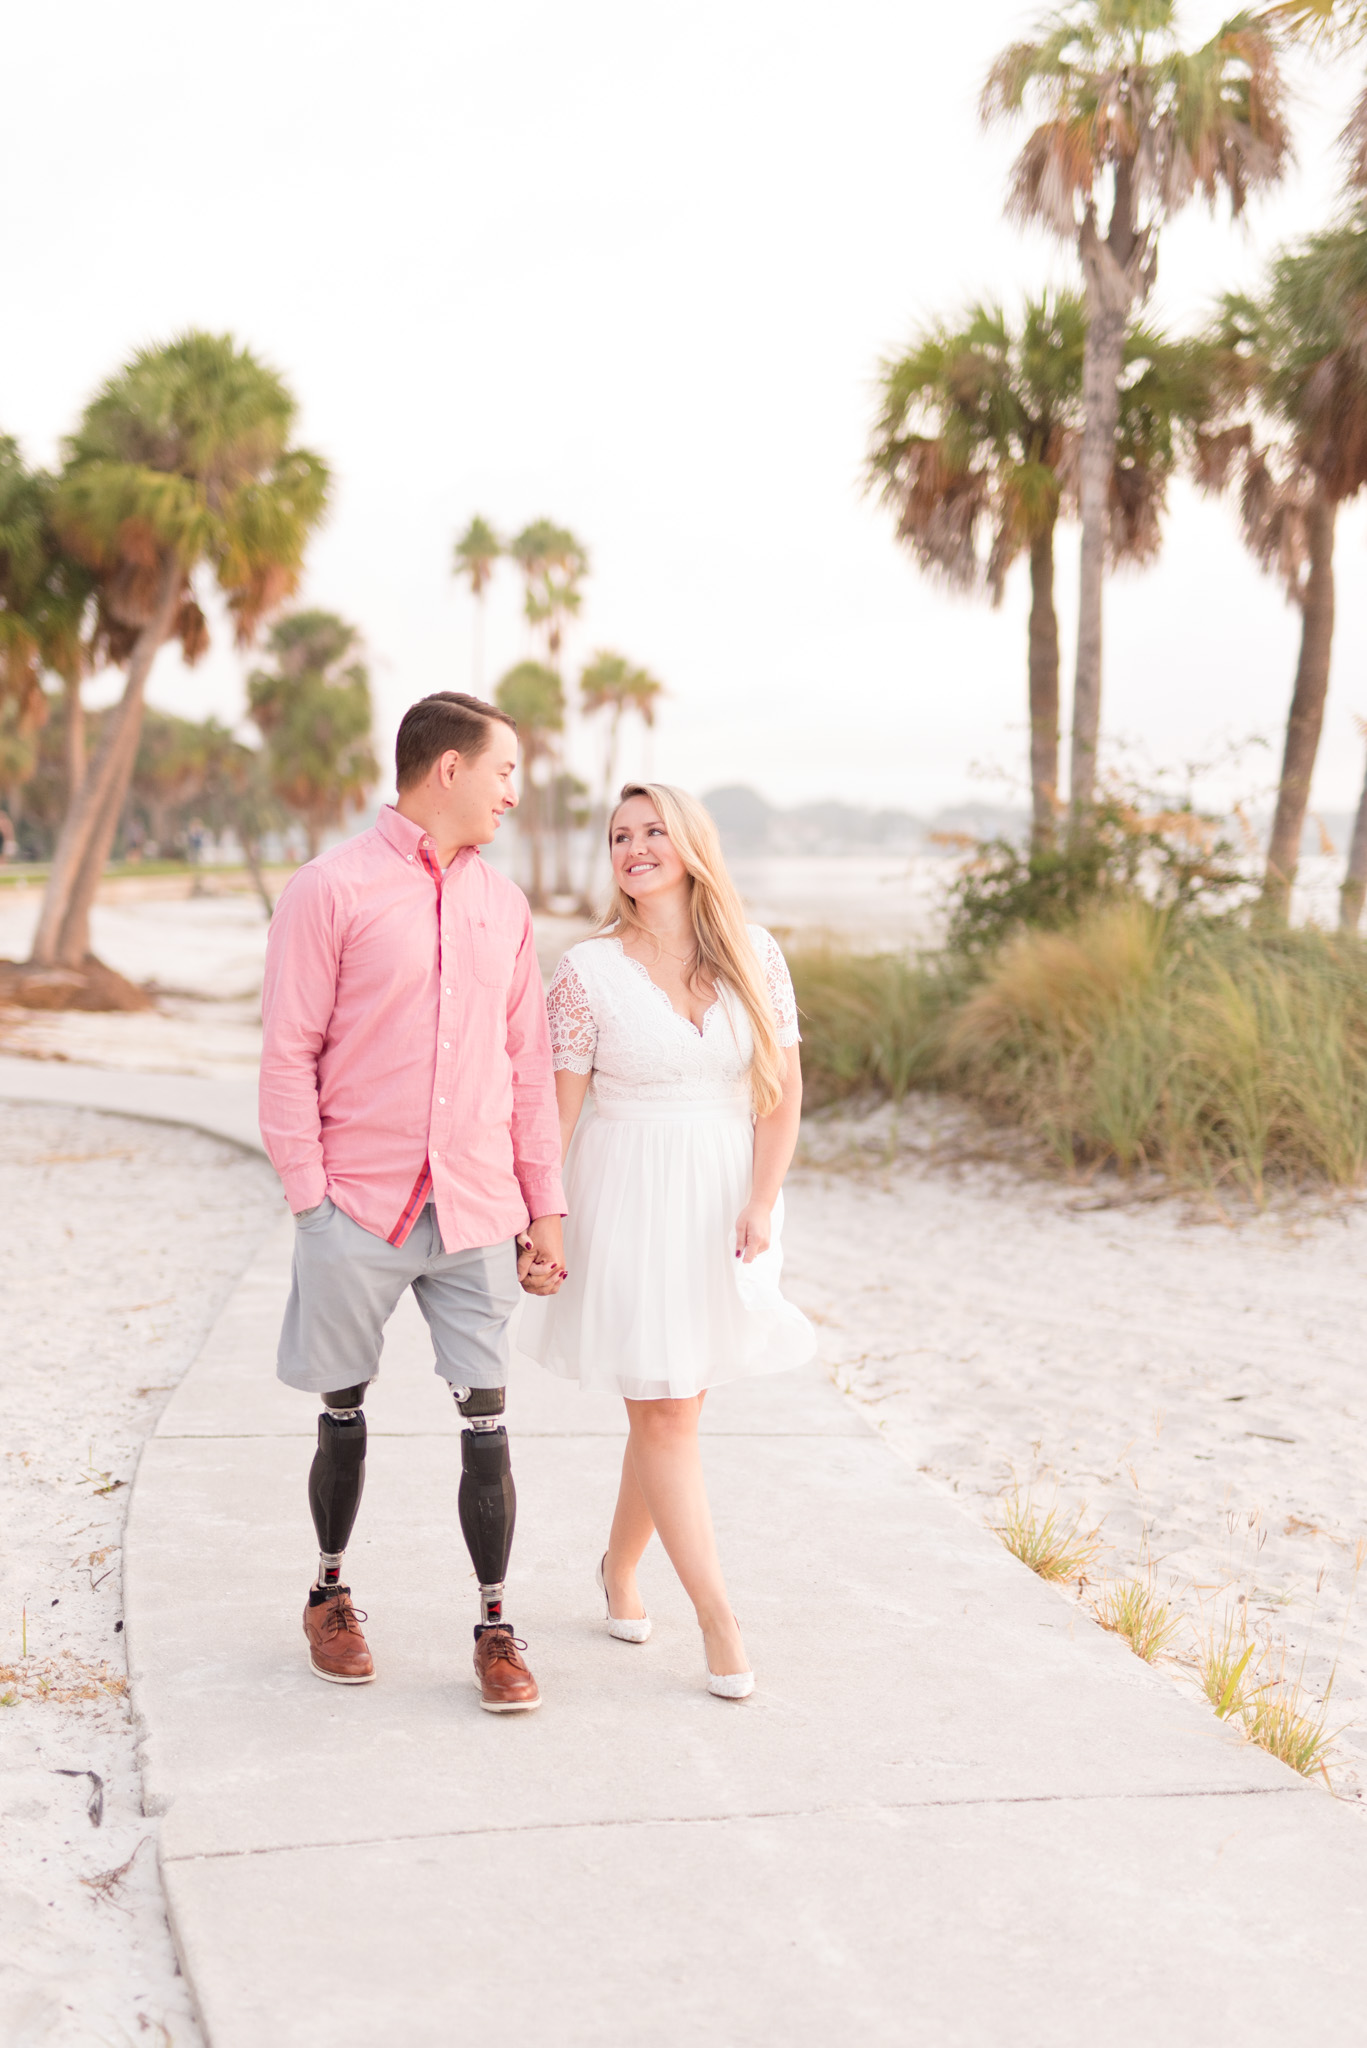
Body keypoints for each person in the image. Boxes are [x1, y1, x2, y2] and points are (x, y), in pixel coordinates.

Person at [259, 691, 566, 1713]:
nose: (513, 793)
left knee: (487, 1418)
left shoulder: (503, 906)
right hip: (360, 1204)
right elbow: (287, 1051)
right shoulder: (328, 888)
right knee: (340, 1406)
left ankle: (492, 1622)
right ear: (448, 770)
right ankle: (329, 1592)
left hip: (476, 1206)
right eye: (504, 770)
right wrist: (313, 1202)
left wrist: (544, 1207)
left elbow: (525, 1067)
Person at [521, 782, 814, 1698]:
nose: (634, 847)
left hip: (726, 1199)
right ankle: (719, 1621)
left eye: (653, 831)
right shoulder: (584, 971)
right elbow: (553, 1118)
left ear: (689, 845)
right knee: (664, 1409)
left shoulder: (753, 954)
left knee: (673, 1399)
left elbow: (781, 1091)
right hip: (628, 1198)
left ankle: (615, 1568)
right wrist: (543, 1222)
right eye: (619, 836)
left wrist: (761, 1202)